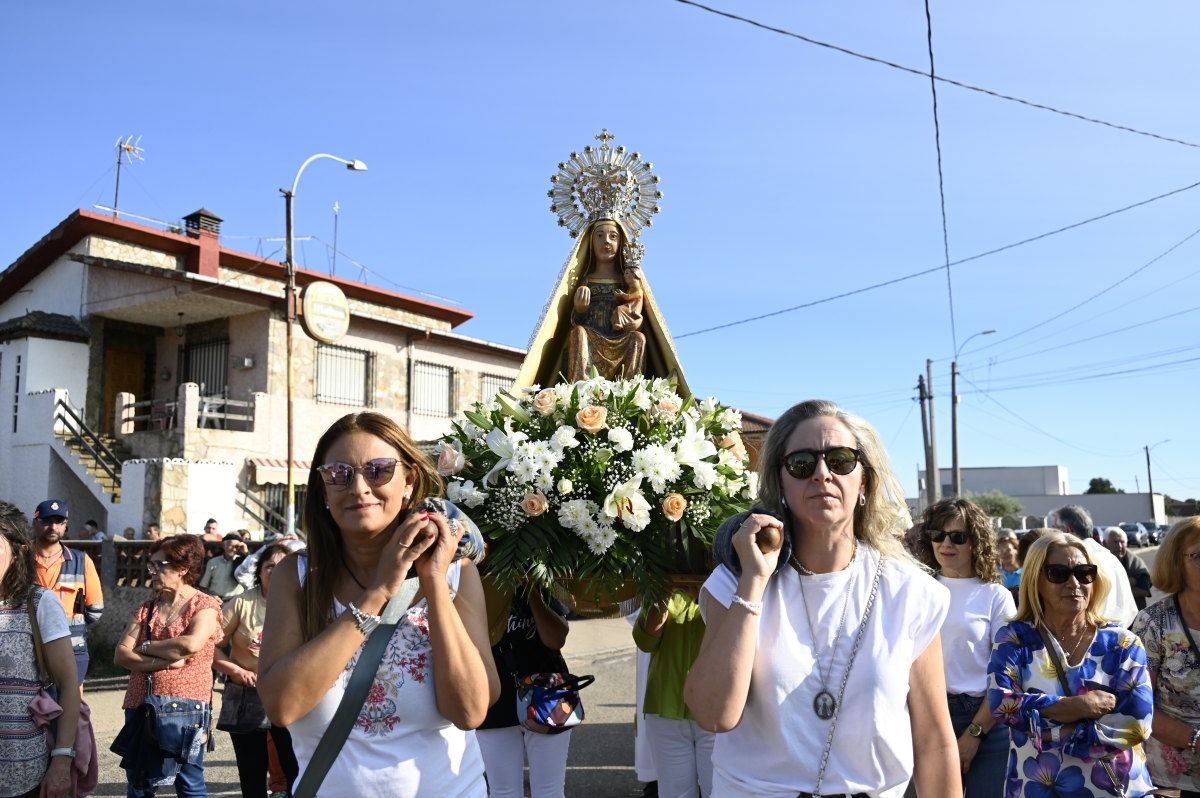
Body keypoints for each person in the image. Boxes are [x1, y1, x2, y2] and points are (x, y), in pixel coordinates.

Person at [683, 399, 959, 798]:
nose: (822, 474)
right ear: (780, 482)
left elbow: (935, 742)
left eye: (842, 460)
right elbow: (713, 714)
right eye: (801, 464)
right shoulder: (734, 581)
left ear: (864, 481)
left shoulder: (910, 591)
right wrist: (753, 583)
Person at [258, 411, 498, 798]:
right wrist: (377, 593)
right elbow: (282, 707)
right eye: (338, 473)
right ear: (323, 490)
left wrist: (433, 582)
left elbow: (470, 711)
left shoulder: (456, 574)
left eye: (379, 470)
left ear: (409, 481)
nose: (358, 487)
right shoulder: (298, 576)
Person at [988, 532, 1154, 797]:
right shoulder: (1014, 638)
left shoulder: (1123, 644)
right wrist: (1079, 707)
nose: (1074, 583)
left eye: (1083, 572)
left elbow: (1136, 725)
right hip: (1036, 789)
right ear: (1036, 580)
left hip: (1114, 788)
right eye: (1058, 573)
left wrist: (1047, 733)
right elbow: (1002, 706)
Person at [913, 498, 1015, 798]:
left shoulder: (995, 597)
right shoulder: (916, 590)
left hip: (987, 722)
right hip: (927, 716)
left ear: (976, 543)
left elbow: (1006, 674)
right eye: (937, 534)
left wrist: (974, 734)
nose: (946, 543)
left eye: (957, 536)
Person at [114, 534, 223, 797]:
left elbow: (190, 644)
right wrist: (162, 661)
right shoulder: (147, 608)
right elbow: (120, 654)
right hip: (140, 702)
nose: (152, 571)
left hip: (185, 706)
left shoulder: (204, 605)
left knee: (188, 780)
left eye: (159, 565)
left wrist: (145, 647)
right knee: (139, 780)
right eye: (151, 565)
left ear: (183, 568)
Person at [0, 501, 80, 798]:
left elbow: (69, 683)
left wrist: (61, 760)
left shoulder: (38, 604)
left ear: (18, 550)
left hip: (23, 775)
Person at [212, 542, 298, 798]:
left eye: (283, 566)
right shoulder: (241, 603)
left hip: (289, 694)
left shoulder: (302, 601)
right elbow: (209, 645)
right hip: (246, 695)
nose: (276, 571)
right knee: (252, 772)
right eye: (270, 566)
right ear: (259, 571)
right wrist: (234, 671)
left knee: (295, 767)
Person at [477, 584, 572, 798]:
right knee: (503, 791)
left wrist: (531, 591)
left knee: (550, 791)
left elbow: (556, 638)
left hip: (548, 688)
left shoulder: (537, 575)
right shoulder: (470, 577)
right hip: (492, 692)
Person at [1129, 517, 1200, 796]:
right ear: (1176, 563)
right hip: (1177, 781)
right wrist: (1194, 740)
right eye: (1199, 556)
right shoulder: (1153, 623)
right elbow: (1139, 706)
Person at [635, 587, 713, 798]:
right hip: (665, 708)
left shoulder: (727, 580)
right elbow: (645, 641)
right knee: (674, 794)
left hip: (716, 711)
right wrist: (663, 595)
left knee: (720, 792)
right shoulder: (666, 585)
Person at [31, 498, 104, 685]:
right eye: (46, 521)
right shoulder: (20, 558)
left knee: (69, 707)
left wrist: (68, 628)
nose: (53, 527)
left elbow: (95, 610)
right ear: (35, 523)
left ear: (65, 526)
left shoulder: (81, 560)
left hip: (72, 650)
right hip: (27, 648)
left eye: (59, 522)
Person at [1050, 505, 1137, 626]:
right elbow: (1131, 610)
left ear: (1068, 530)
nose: (1052, 533)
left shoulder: (1080, 562)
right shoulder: (1111, 558)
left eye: (1055, 528)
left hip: (1092, 637)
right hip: (1119, 634)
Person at [1104, 527, 1153, 611]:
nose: (1119, 546)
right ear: (1105, 544)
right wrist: (1131, 581)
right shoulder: (1099, 561)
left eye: (1122, 542)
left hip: (1135, 614)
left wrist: (1116, 591)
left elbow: (1144, 590)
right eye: (1115, 542)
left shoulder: (1135, 562)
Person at [198, 533, 247, 599]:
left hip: (235, 601)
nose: (234, 549)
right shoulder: (213, 562)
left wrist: (246, 553)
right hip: (216, 600)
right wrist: (211, 596)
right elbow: (203, 586)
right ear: (223, 545)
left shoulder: (243, 562)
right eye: (231, 545)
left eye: (237, 547)